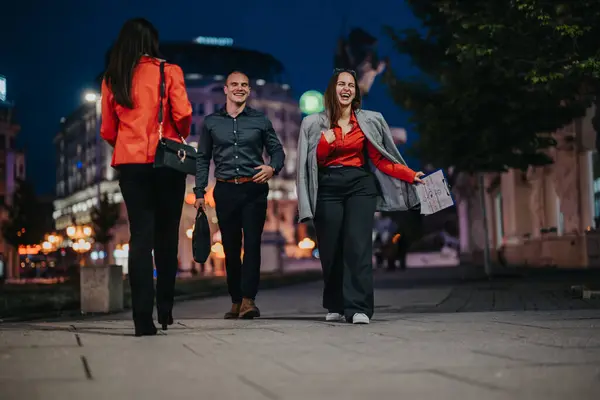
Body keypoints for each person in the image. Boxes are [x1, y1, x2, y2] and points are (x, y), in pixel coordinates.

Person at [296, 69, 424, 324]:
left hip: (360, 185)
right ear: (332, 89)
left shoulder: (369, 121)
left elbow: (381, 159)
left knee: (358, 245)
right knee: (331, 249)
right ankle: (335, 303)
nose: (346, 89)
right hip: (327, 187)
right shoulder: (312, 123)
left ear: (355, 92)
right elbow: (310, 164)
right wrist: (325, 143)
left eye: (351, 85)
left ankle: (358, 308)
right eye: (341, 84)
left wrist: (410, 175)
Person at [100, 18, 192, 336]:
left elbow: (107, 130)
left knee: (140, 238)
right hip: (167, 163)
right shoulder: (170, 71)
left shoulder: (113, 78)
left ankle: (142, 319)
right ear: (151, 42)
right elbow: (182, 116)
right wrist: (177, 131)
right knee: (167, 238)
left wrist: (126, 146)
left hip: (131, 165)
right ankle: (164, 309)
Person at [194, 71, 285, 319]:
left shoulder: (260, 120)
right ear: (225, 89)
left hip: (253, 189)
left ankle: (248, 300)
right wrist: (199, 191)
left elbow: (277, 151)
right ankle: (235, 300)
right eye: (234, 84)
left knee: (252, 244)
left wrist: (272, 168)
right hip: (224, 190)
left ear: (249, 90)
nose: (240, 88)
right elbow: (202, 158)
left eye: (244, 85)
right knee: (230, 248)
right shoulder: (211, 122)